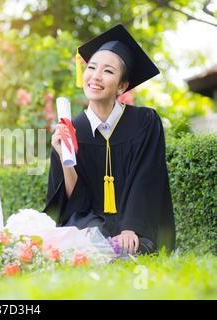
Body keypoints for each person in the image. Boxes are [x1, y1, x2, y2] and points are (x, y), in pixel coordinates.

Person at [44, 24, 175, 255]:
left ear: (122, 86)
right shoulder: (72, 129)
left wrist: (130, 228)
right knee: (86, 247)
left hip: (135, 231)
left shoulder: (145, 122)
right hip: (89, 228)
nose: (95, 76)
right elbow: (74, 205)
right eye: (91, 67)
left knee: (129, 248)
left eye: (108, 71)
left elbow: (146, 180)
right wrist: (64, 155)